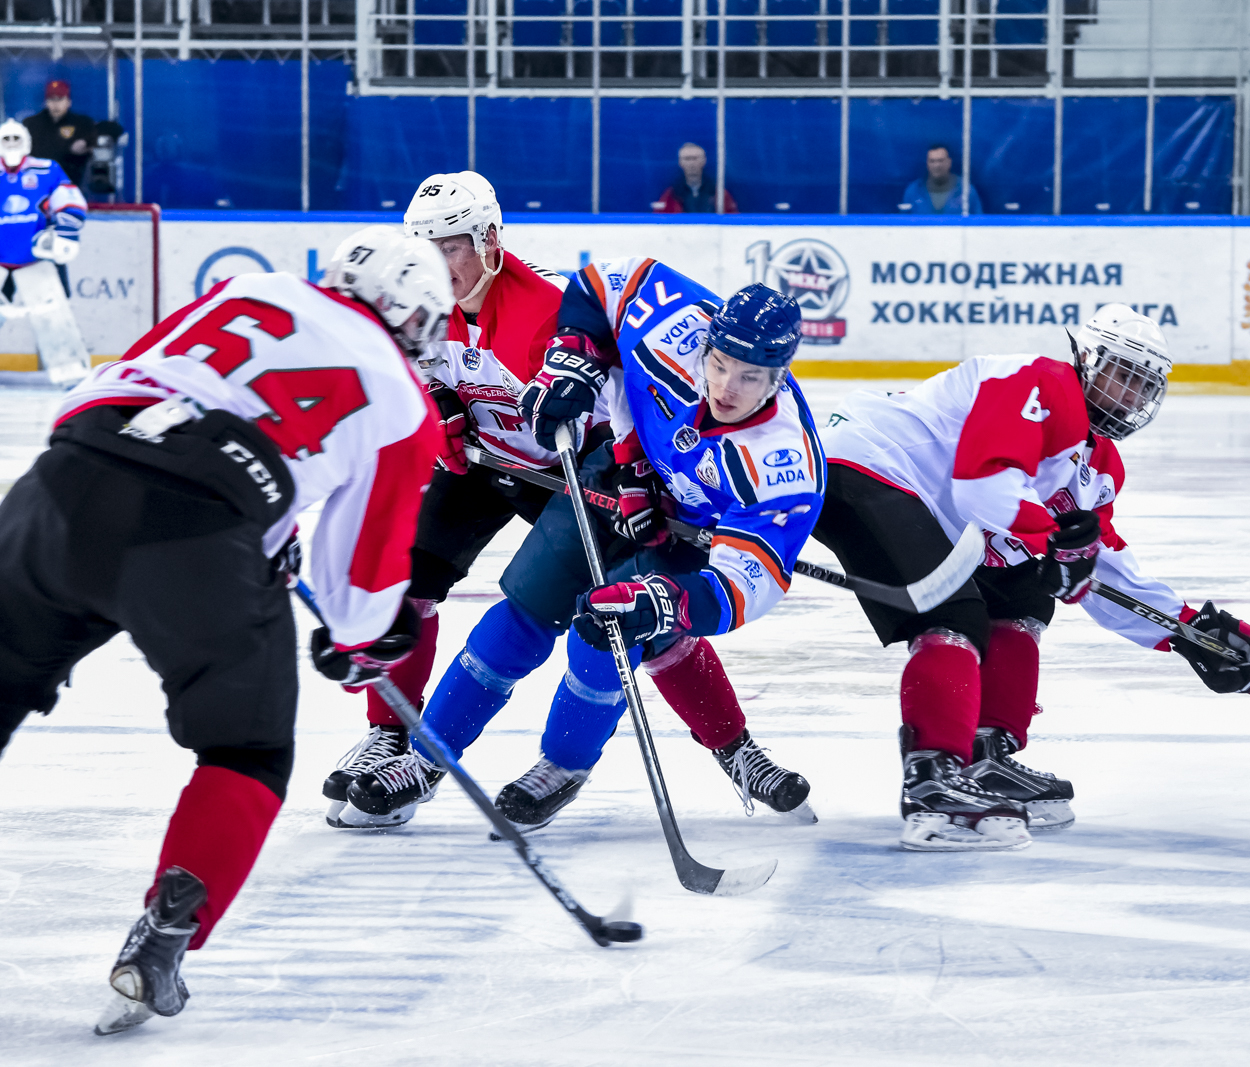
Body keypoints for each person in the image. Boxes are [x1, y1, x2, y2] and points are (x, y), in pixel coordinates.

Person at [0, 224, 452, 1033]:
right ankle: (165, 932)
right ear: (412, 314)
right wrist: (357, 641)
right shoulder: (403, 398)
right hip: (197, 537)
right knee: (247, 750)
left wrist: (260, 534)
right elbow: (363, 578)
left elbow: (108, 385)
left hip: (61, 483)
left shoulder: (253, 291)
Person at [341, 272, 823, 834]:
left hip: (688, 528)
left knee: (606, 633)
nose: (725, 387)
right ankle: (424, 761)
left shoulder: (785, 465)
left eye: (750, 377)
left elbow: (748, 583)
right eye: (718, 364)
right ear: (707, 342)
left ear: (780, 376)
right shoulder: (676, 331)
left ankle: (562, 767)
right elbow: (602, 286)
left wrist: (665, 601)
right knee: (519, 614)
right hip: (614, 477)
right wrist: (577, 365)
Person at [816, 305, 1250, 852]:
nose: (1128, 396)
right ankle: (934, 783)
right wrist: (1057, 537)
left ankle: (985, 756)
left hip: (930, 503)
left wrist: (1188, 632)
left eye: (1142, 385)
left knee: (1028, 586)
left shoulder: (1100, 465)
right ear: (1086, 359)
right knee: (952, 615)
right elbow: (981, 488)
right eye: (1120, 375)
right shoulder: (1044, 383)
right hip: (867, 465)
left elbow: (1094, 565)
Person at [320, 171, 574, 829]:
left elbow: (608, 407)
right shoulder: (414, 297)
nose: (436, 264)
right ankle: (393, 734)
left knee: (618, 603)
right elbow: (408, 375)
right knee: (406, 579)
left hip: (559, 476)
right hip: (480, 466)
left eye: (451, 246)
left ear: (490, 240)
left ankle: (731, 740)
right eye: (424, 247)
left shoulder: (546, 305)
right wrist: (438, 405)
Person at [0, 117, 89, 383]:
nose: (12, 144)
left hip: (35, 258)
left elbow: (70, 202)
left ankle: (70, 373)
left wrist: (65, 232)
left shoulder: (46, 170)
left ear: (27, 143)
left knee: (54, 317)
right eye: (6, 140)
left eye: (16, 139)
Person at [23, 79, 98, 188]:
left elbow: (107, 130)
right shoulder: (31, 124)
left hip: (71, 185)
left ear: (68, 102)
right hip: (38, 184)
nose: (55, 104)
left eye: (60, 99)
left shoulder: (82, 124)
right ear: (45, 102)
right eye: (51, 99)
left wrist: (86, 144)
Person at [654, 142, 738, 214]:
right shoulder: (671, 195)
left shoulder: (719, 194)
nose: (691, 163)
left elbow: (733, 221)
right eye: (687, 159)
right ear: (680, 162)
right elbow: (658, 222)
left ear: (704, 160)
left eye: (695, 158)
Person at [901, 144, 983, 216]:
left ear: (949, 162)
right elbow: (902, 225)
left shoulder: (966, 191)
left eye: (941, 161)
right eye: (932, 161)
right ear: (927, 164)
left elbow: (979, 224)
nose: (937, 165)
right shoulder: (914, 191)